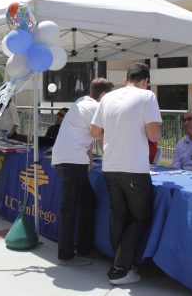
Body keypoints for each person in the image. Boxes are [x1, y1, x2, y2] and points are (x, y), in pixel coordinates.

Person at [91, 62, 162, 285]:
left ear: (125, 79)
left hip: (110, 166)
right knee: (140, 218)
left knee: (118, 215)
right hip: (134, 168)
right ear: (145, 81)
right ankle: (120, 269)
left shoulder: (108, 97)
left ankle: (120, 264)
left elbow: (94, 131)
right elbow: (155, 136)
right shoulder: (147, 96)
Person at [52, 78, 113, 266]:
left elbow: (85, 134)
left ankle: (84, 249)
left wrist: (90, 159)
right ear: (103, 95)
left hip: (69, 159)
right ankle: (66, 254)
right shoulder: (95, 108)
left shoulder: (81, 102)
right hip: (72, 160)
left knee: (87, 201)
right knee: (70, 207)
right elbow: (103, 135)